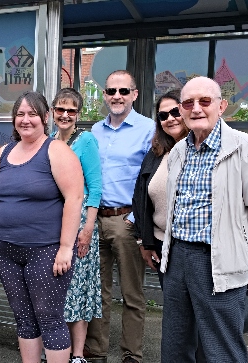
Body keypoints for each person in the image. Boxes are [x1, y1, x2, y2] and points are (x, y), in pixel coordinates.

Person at [160, 77, 248, 362]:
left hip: (218, 260)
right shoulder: (179, 151)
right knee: (175, 345)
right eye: (188, 103)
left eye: (205, 101)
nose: (196, 109)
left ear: (222, 106)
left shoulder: (246, 149)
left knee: (221, 349)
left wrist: (240, 245)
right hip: (177, 258)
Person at [0, 91, 84, 363]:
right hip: (7, 251)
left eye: (32, 114)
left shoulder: (56, 150)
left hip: (45, 252)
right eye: (20, 114)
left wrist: (66, 247)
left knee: (50, 318)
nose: (25, 120)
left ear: (45, 118)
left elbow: (74, 198)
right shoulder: (4, 152)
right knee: (23, 318)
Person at [86, 70, 155, 363]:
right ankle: (97, 350)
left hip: (127, 221)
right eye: (112, 91)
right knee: (97, 292)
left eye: (123, 91)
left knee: (132, 294)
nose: (117, 96)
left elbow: (154, 178)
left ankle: (131, 353)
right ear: (104, 94)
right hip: (94, 219)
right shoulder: (94, 132)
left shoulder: (149, 129)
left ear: (134, 95)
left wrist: (139, 220)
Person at [49, 88, 102, 363]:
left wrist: (88, 228)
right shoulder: (48, 141)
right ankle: (58, 349)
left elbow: (95, 188)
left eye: (71, 110)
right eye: (60, 109)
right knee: (55, 288)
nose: (65, 115)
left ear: (78, 113)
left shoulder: (86, 140)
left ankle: (78, 354)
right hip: (52, 223)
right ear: (53, 112)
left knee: (77, 287)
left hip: (79, 222)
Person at [132, 89, 188, 288]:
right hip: (162, 245)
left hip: (198, 250)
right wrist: (144, 242)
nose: (170, 119)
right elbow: (140, 200)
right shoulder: (155, 155)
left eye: (175, 112)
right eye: (163, 116)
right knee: (175, 312)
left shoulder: (201, 152)